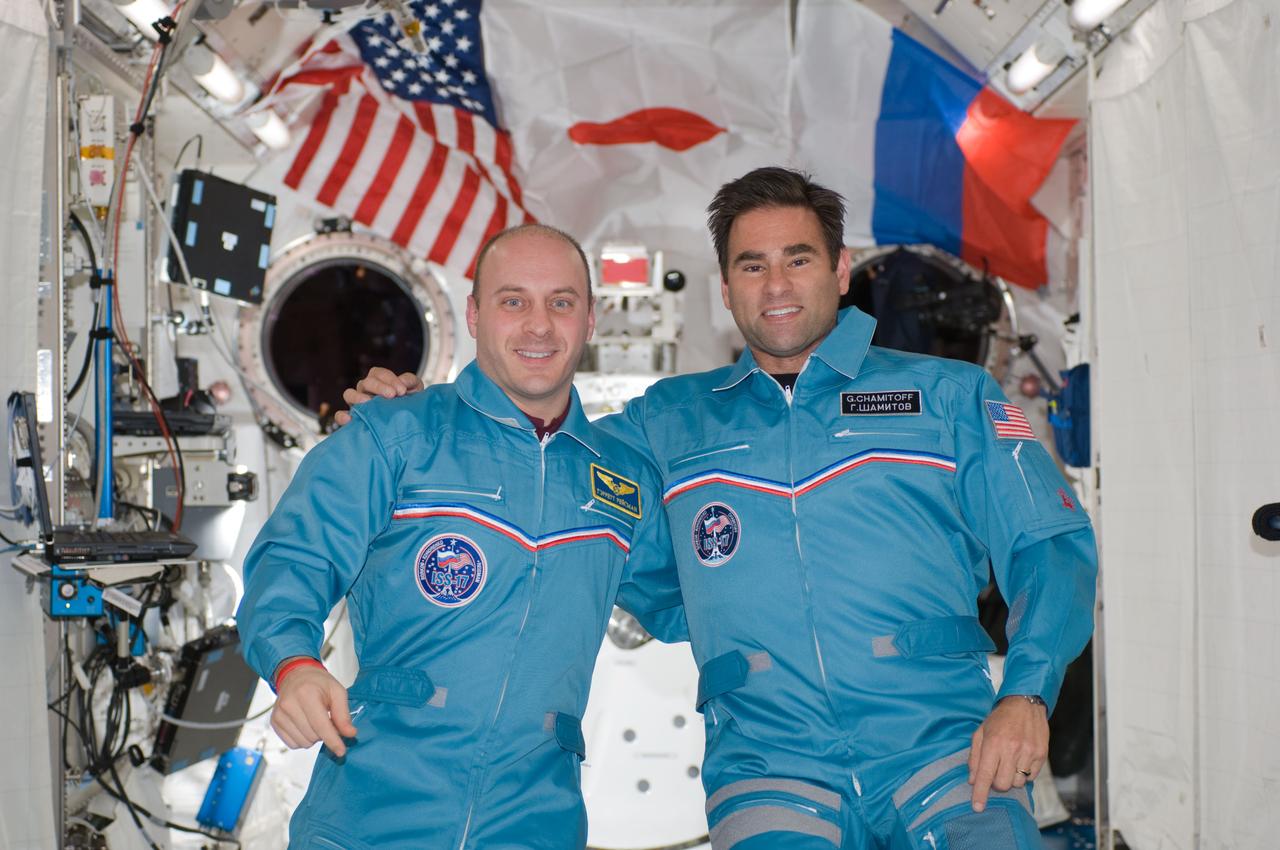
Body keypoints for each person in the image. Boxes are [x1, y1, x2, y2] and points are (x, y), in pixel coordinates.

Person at [344, 167, 1098, 850]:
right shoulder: (667, 421)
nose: (776, 285)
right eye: (752, 265)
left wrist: (1027, 691)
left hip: (947, 754)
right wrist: (426, 420)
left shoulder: (948, 397)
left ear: (839, 270)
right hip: (772, 774)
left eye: (798, 259)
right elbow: (539, 459)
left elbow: (1050, 544)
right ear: (726, 287)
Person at [237, 224, 685, 850]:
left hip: (535, 826)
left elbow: (704, 600)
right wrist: (296, 665)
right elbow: (290, 565)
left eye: (561, 302)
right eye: (513, 301)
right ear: (473, 314)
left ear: (590, 320)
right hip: (370, 820)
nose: (538, 325)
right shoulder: (393, 435)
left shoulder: (619, 477)